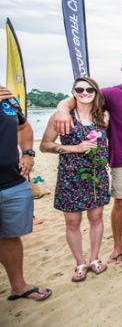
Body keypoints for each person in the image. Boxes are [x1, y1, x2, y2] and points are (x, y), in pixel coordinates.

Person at [54, 55, 122, 265]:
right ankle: (118, 246)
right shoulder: (111, 93)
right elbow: (81, 98)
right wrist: (63, 109)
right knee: (121, 202)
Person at [41, 77, 110, 281]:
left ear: (96, 92)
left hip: (96, 175)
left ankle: (95, 258)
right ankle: (80, 263)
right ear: (73, 91)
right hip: (70, 176)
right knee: (72, 222)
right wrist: (75, 148)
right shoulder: (62, 116)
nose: (85, 92)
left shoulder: (103, 116)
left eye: (90, 89)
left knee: (96, 218)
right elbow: (44, 145)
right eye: (79, 89)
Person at [0, 86, 52, 302]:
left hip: (11, 181)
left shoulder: (6, 100)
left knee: (9, 236)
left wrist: (29, 153)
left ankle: (18, 286)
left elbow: (23, 127)